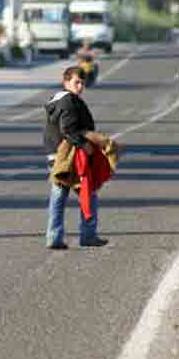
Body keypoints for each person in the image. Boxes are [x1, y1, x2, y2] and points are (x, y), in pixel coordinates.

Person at [43, 66, 109, 249]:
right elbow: (68, 129)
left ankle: (54, 237)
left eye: (82, 83)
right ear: (66, 82)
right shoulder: (69, 102)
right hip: (69, 156)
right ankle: (88, 234)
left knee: (59, 195)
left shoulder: (57, 100)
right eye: (76, 82)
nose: (80, 86)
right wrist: (85, 145)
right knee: (88, 192)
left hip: (54, 154)